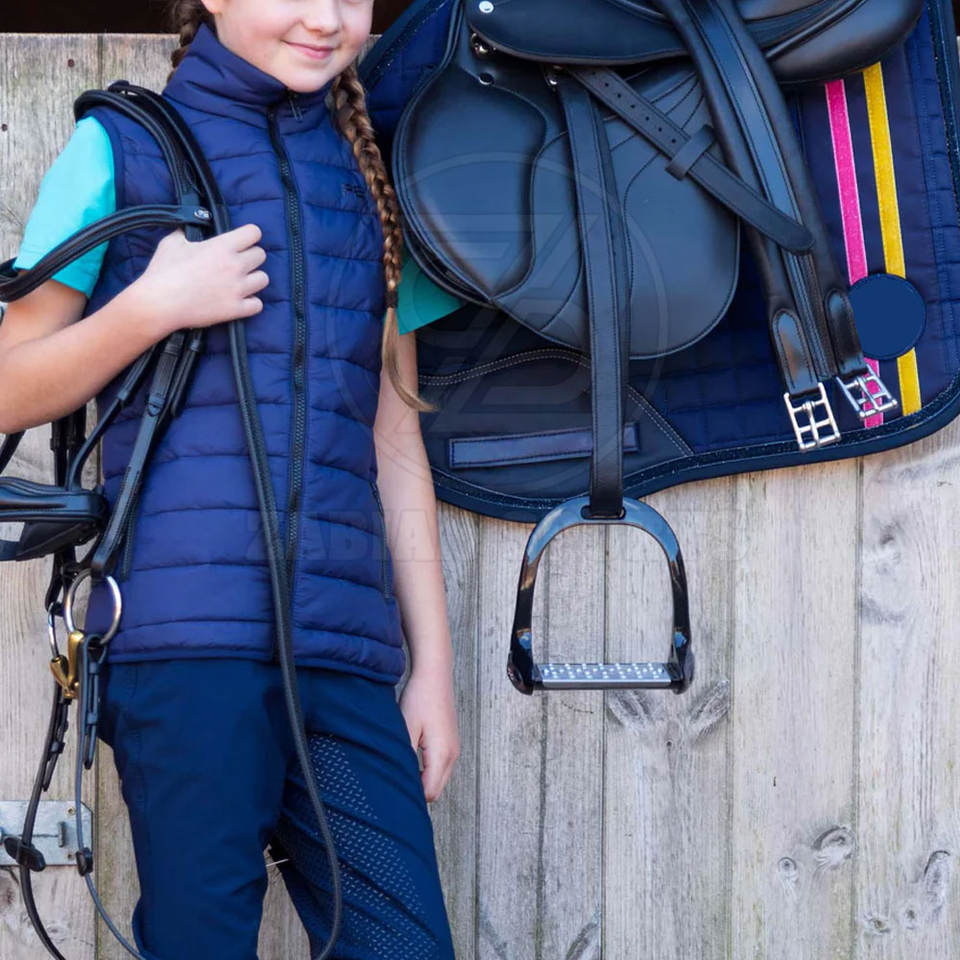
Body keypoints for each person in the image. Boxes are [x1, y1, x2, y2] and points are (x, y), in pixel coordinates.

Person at [0, 1, 464, 957]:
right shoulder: (118, 149)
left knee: (406, 944)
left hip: (343, 662)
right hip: (184, 657)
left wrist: (434, 672)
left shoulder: (374, 176)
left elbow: (394, 442)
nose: (325, 19)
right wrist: (152, 307)